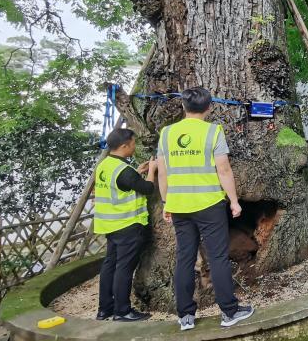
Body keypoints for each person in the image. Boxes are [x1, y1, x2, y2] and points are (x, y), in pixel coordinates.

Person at [157, 87, 254, 331]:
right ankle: (229, 312)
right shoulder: (213, 131)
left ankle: (186, 316)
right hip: (209, 204)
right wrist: (233, 200)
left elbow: (163, 172)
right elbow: (223, 169)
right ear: (209, 107)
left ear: (183, 106)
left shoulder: (167, 133)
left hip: (179, 206)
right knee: (218, 257)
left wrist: (165, 201)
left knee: (185, 258)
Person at [95, 128, 155, 322]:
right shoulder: (124, 171)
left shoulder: (105, 165)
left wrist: (137, 172)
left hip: (110, 225)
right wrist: (152, 171)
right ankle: (122, 311)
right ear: (124, 146)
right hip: (128, 225)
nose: (134, 146)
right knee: (124, 268)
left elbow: (122, 184)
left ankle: (105, 309)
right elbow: (147, 188)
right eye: (132, 143)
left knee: (110, 265)